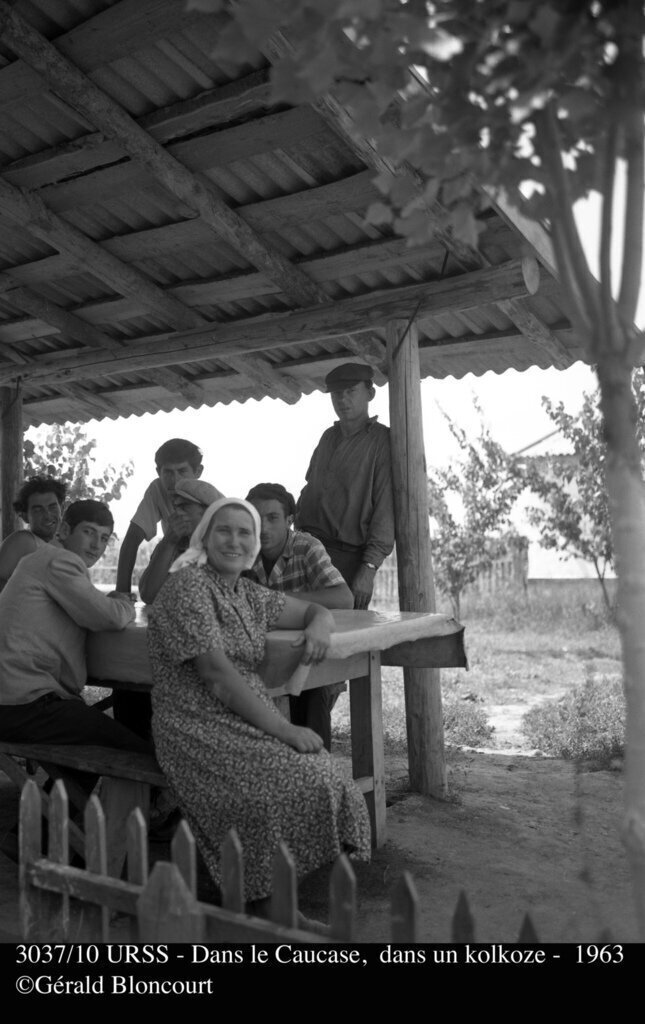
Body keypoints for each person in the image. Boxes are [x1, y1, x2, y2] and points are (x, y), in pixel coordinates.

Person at [146, 497, 371, 917]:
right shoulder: (189, 586)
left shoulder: (247, 593)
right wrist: (284, 730)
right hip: (194, 723)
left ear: (254, 544)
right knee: (277, 786)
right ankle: (267, 901)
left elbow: (317, 608)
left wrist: (320, 622)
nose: (234, 540)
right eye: (224, 531)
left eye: (244, 532)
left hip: (241, 717)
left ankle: (274, 896)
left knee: (326, 776)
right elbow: (216, 675)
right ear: (206, 537)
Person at [0, 499, 151, 758]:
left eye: (104, 538)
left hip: (17, 701)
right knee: (132, 750)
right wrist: (124, 602)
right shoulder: (58, 561)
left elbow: (92, 607)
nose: (96, 545)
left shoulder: (46, 560)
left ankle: (56, 800)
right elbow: (110, 617)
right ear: (65, 531)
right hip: (22, 704)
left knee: (90, 743)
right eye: (88, 532)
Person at [245, 481, 353, 751]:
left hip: (307, 653)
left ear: (289, 521)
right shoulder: (242, 550)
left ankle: (316, 773)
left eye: (272, 518)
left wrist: (279, 605)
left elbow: (344, 598)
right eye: (256, 519)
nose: (264, 527)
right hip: (257, 656)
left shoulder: (306, 547)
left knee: (309, 684)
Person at [295, 362, 395, 607]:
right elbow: (310, 490)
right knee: (301, 630)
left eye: (351, 391)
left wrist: (369, 568)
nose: (343, 399)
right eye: (337, 394)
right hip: (306, 551)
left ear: (370, 394)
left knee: (344, 636)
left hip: (347, 558)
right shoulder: (328, 437)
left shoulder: (382, 441)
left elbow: (385, 509)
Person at [115, 438, 206, 595]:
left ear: (198, 471)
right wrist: (122, 595)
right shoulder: (158, 489)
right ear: (159, 473)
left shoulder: (210, 498)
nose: (175, 480)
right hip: (175, 551)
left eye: (182, 471)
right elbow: (132, 539)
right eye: (168, 472)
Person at [138, 478, 224, 605]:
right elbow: (148, 595)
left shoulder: (225, 548)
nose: (177, 512)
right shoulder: (171, 542)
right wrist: (168, 543)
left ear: (208, 513)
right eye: (176, 507)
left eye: (184, 506)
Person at [0, 475, 66, 593]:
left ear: (62, 508)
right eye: (38, 510)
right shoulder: (23, 541)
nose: (47, 515)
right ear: (25, 517)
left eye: (52, 507)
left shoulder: (59, 545)